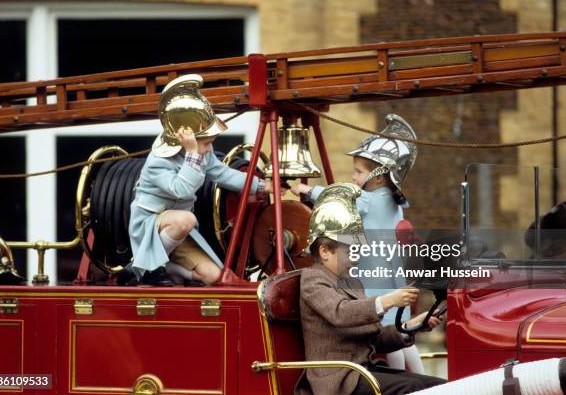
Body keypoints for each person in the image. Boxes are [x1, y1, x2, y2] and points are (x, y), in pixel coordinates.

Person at [292, 114, 424, 373]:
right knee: (405, 339)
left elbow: (342, 197)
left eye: (359, 172)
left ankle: (401, 381)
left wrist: (308, 192)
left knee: (390, 339)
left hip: (373, 280)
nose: (353, 177)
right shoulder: (393, 203)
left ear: (378, 176)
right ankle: (421, 381)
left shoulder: (368, 200)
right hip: (392, 275)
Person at [295, 183, 446, 395]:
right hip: (338, 380)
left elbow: (373, 337)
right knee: (412, 389)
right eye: (350, 251)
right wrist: (388, 301)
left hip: (362, 370)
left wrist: (410, 326)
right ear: (325, 251)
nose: (356, 259)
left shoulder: (351, 281)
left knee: (437, 386)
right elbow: (341, 313)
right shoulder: (313, 280)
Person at [129, 74, 276, 286]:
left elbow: (223, 174)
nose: (209, 149)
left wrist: (262, 186)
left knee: (211, 275)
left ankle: (161, 267)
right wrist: (192, 154)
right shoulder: (157, 162)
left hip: (178, 233)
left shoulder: (201, 152)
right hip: (150, 228)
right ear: (185, 139)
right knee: (185, 219)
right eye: (205, 143)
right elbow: (182, 190)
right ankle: (149, 266)